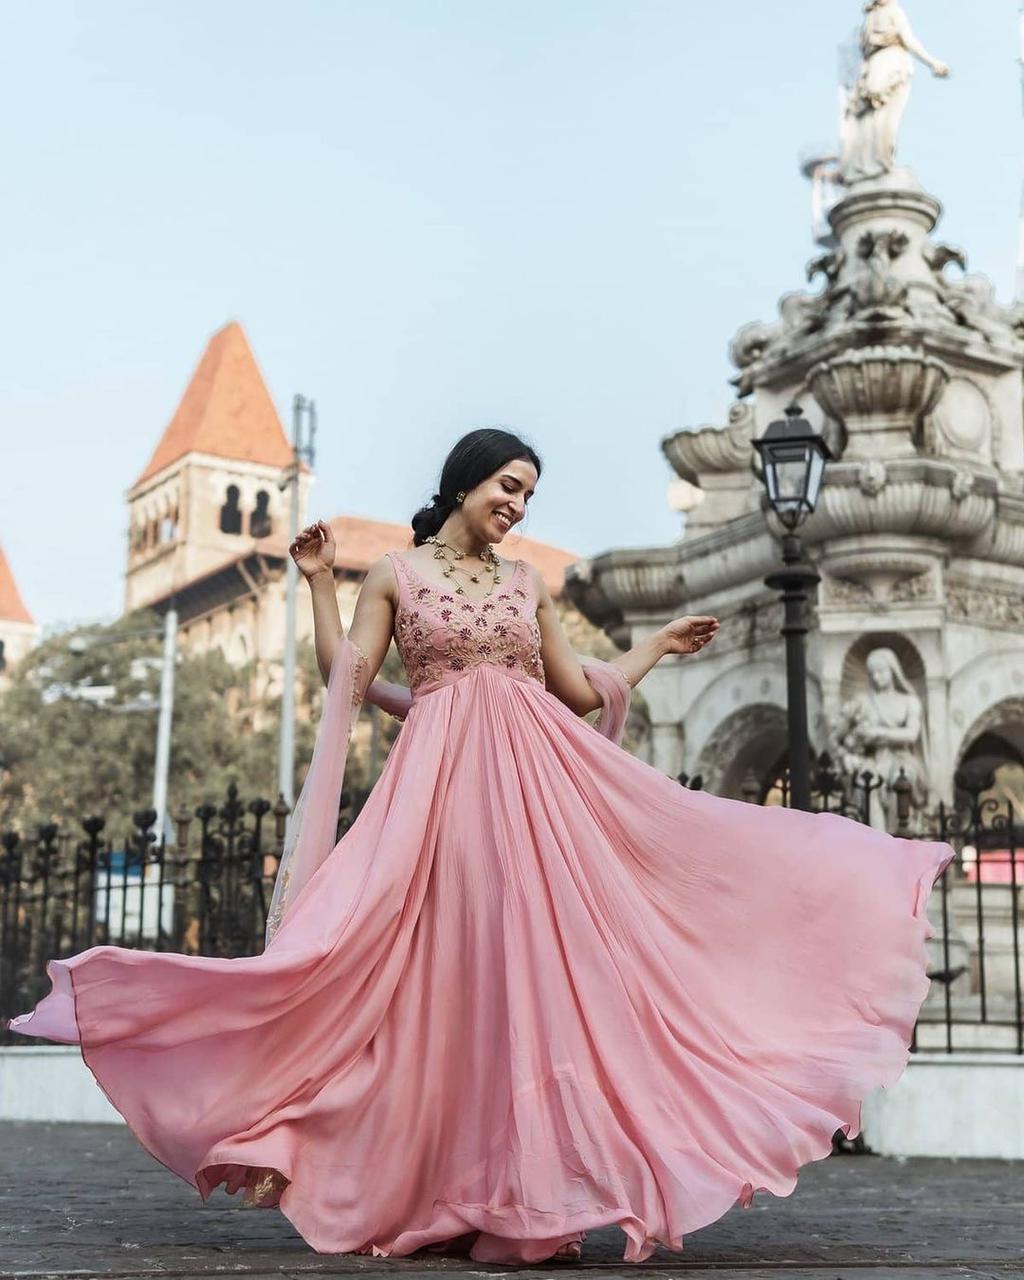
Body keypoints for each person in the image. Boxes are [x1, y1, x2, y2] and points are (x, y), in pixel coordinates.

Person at [7, 429, 952, 1265]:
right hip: (440, 789)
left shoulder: (523, 581)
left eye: (529, 495)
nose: (518, 504)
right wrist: (316, 586)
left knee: (535, 976)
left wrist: (657, 646)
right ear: (464, 483)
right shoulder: (396, 571)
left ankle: (526, 1191)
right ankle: (437, 1185)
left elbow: (579, 694)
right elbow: (348, 675)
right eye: (507, 486)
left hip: (534, 789)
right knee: (437, 975)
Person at [840, 0, 950, 184]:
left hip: (871, 70)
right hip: (890, 65)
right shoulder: (892, 11)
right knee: (887, 120)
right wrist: (932, 62)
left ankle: (871, 163)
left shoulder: (870, 17)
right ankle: (880, 163)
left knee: (873, 121)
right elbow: (908, 39)